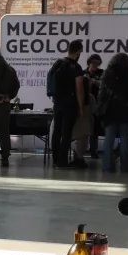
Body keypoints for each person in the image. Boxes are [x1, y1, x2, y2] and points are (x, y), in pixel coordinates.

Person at [95, 53, 128, 174]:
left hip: (110, 111)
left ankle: (107, 166)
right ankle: (126, 166)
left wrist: (100, 108)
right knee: (125, 139)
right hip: (126, 111)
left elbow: (101, 94)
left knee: (109, 139)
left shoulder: (107, 74)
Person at [48, 39, 85, 168]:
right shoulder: (76, 67)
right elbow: (79, 88)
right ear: (78, 52)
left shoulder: (58, 64)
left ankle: (55, 159)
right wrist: (81, 106)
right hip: (70, 104)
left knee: (56, 131)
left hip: (57, 102)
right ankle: (63, 161)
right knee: (66, 132)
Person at [84, 53, 104, 159]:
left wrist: (95, 82)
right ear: (89, 63)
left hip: (97, 104)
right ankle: (81, 151)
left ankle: (93, 150)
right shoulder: (83, 73)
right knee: (83, 127)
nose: (95, 66)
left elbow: (104, 84)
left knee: (94, 129)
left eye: (97, 64)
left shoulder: (101, 73)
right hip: (85, 104)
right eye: (94, 63)